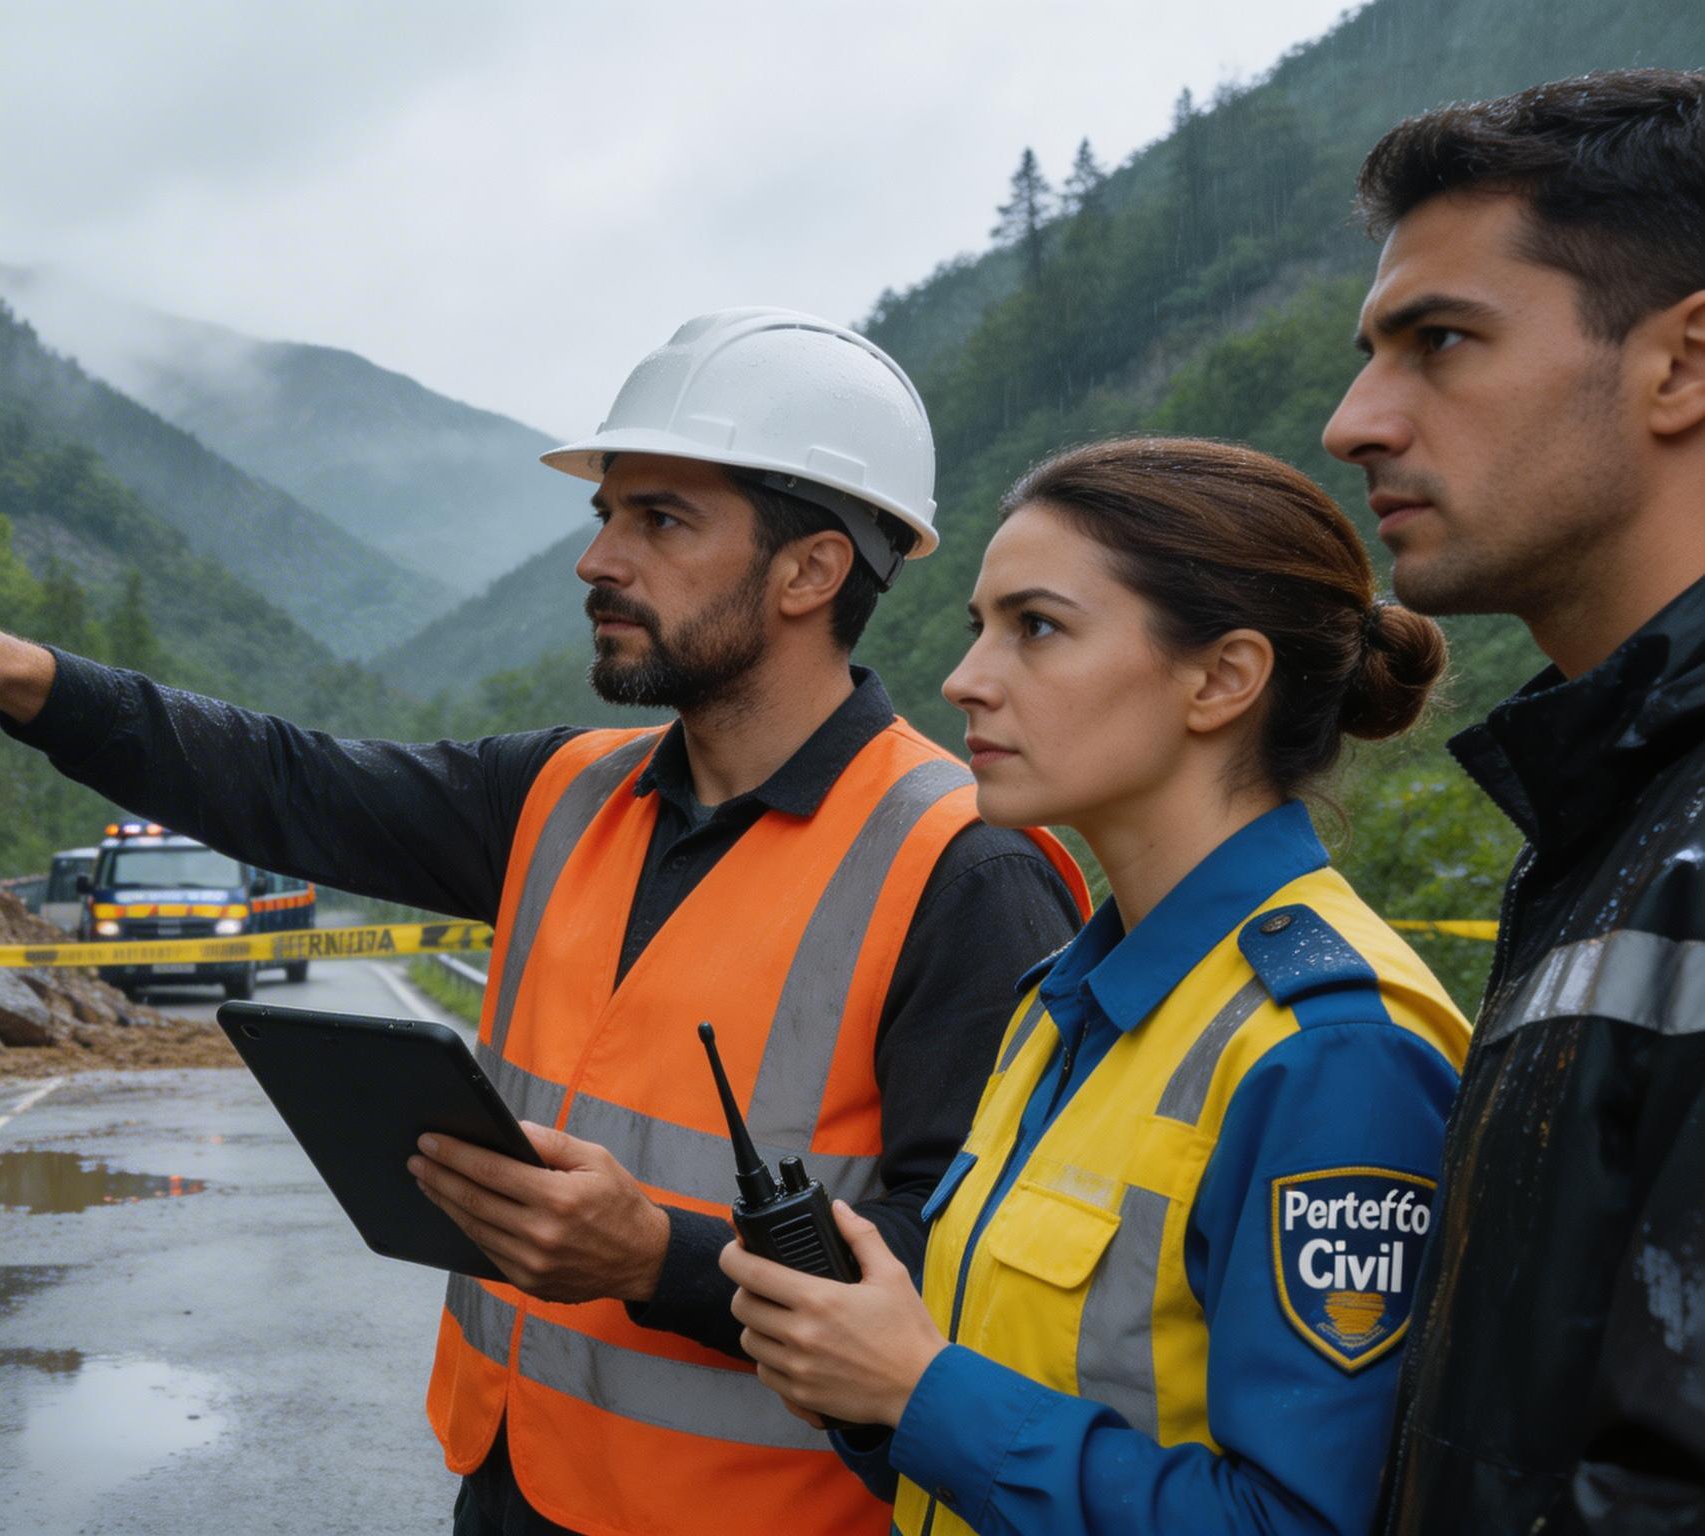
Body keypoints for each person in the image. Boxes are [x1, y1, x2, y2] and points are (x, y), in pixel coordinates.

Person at [0, 308, 1088, 1536]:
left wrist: (660, 1256)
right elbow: (290, 783)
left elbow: (966, 1278)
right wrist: (27, 679)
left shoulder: (961, 871)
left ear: (808, 571)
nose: (595, 558)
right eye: (603, 513)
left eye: (660, 522)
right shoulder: (561, 795)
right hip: (508, 1481)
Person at [722, 438, 1472, 1536]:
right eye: (982, 625)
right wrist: (870, 1386)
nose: (966, 677)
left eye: (1036, 627)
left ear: (1222, 679)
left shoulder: (1331, 1052)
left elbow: (1303, 1522)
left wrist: (921, 1391)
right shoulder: (1062, 1000)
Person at [1321, 69, 1705, 1533]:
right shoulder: (1616, 817)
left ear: (1680, 366)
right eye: (1372, 350)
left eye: (1439, 342)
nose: (1354, 419)